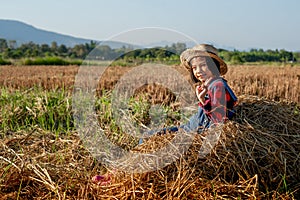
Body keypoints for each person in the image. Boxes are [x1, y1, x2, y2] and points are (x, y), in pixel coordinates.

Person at [139, 44, 238, 144]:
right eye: (194, 67)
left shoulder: (217, 86)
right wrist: (202, 99)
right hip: (188, 129)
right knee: (150, 135)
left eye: (203, 65)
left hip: (191, 132)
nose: (198, 71)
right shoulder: (211, 84)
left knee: (146, 138)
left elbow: (217, 120)